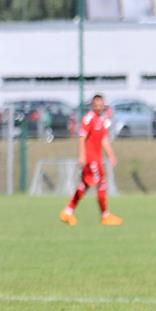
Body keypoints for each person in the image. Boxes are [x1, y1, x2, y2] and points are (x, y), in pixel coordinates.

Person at [59, 94, 121, 226]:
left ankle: (67, 212)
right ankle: (105, 216)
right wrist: (82, 155)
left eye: (101, 105)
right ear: (92, 106)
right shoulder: (88, 119)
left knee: (84, 185)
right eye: (96, 105)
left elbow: (103, 140)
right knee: (101, 184)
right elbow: (82, 137)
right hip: (91, 159)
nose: (99, 107)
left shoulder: (101, 120)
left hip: (96, 158)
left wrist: (111, 155)